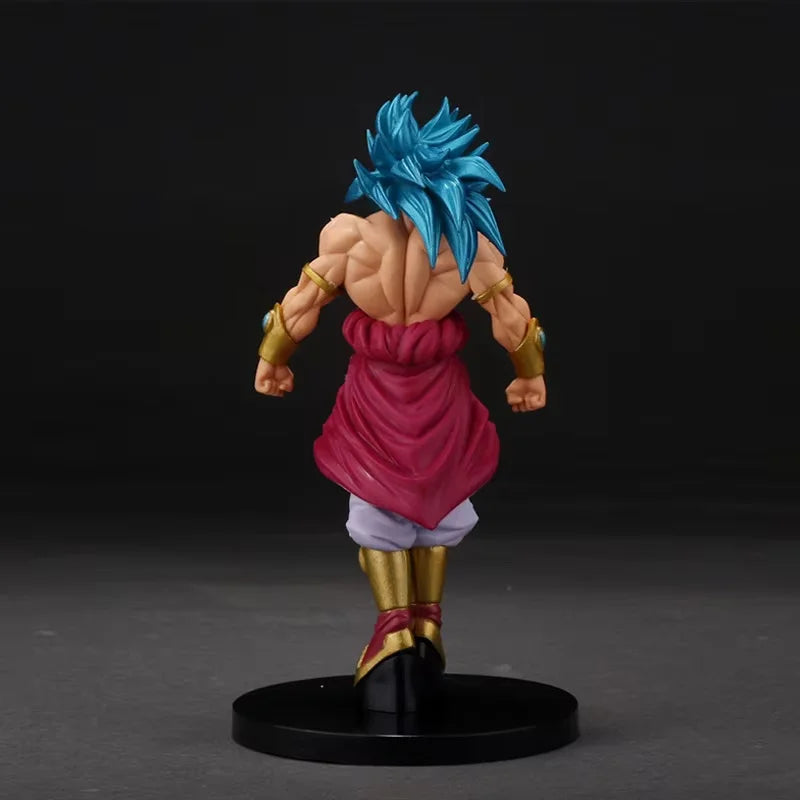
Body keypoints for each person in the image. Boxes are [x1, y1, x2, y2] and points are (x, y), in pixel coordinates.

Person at [254, 93, 547, 713]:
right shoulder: (463, 247)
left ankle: (400, 627)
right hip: (429, 394)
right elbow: (513, 318)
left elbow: (300, 304)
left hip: (384, 393)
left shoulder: (351, 237)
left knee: (400, 505)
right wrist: (529, 375)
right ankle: (421, 622)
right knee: (434, 498)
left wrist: (272, 358)